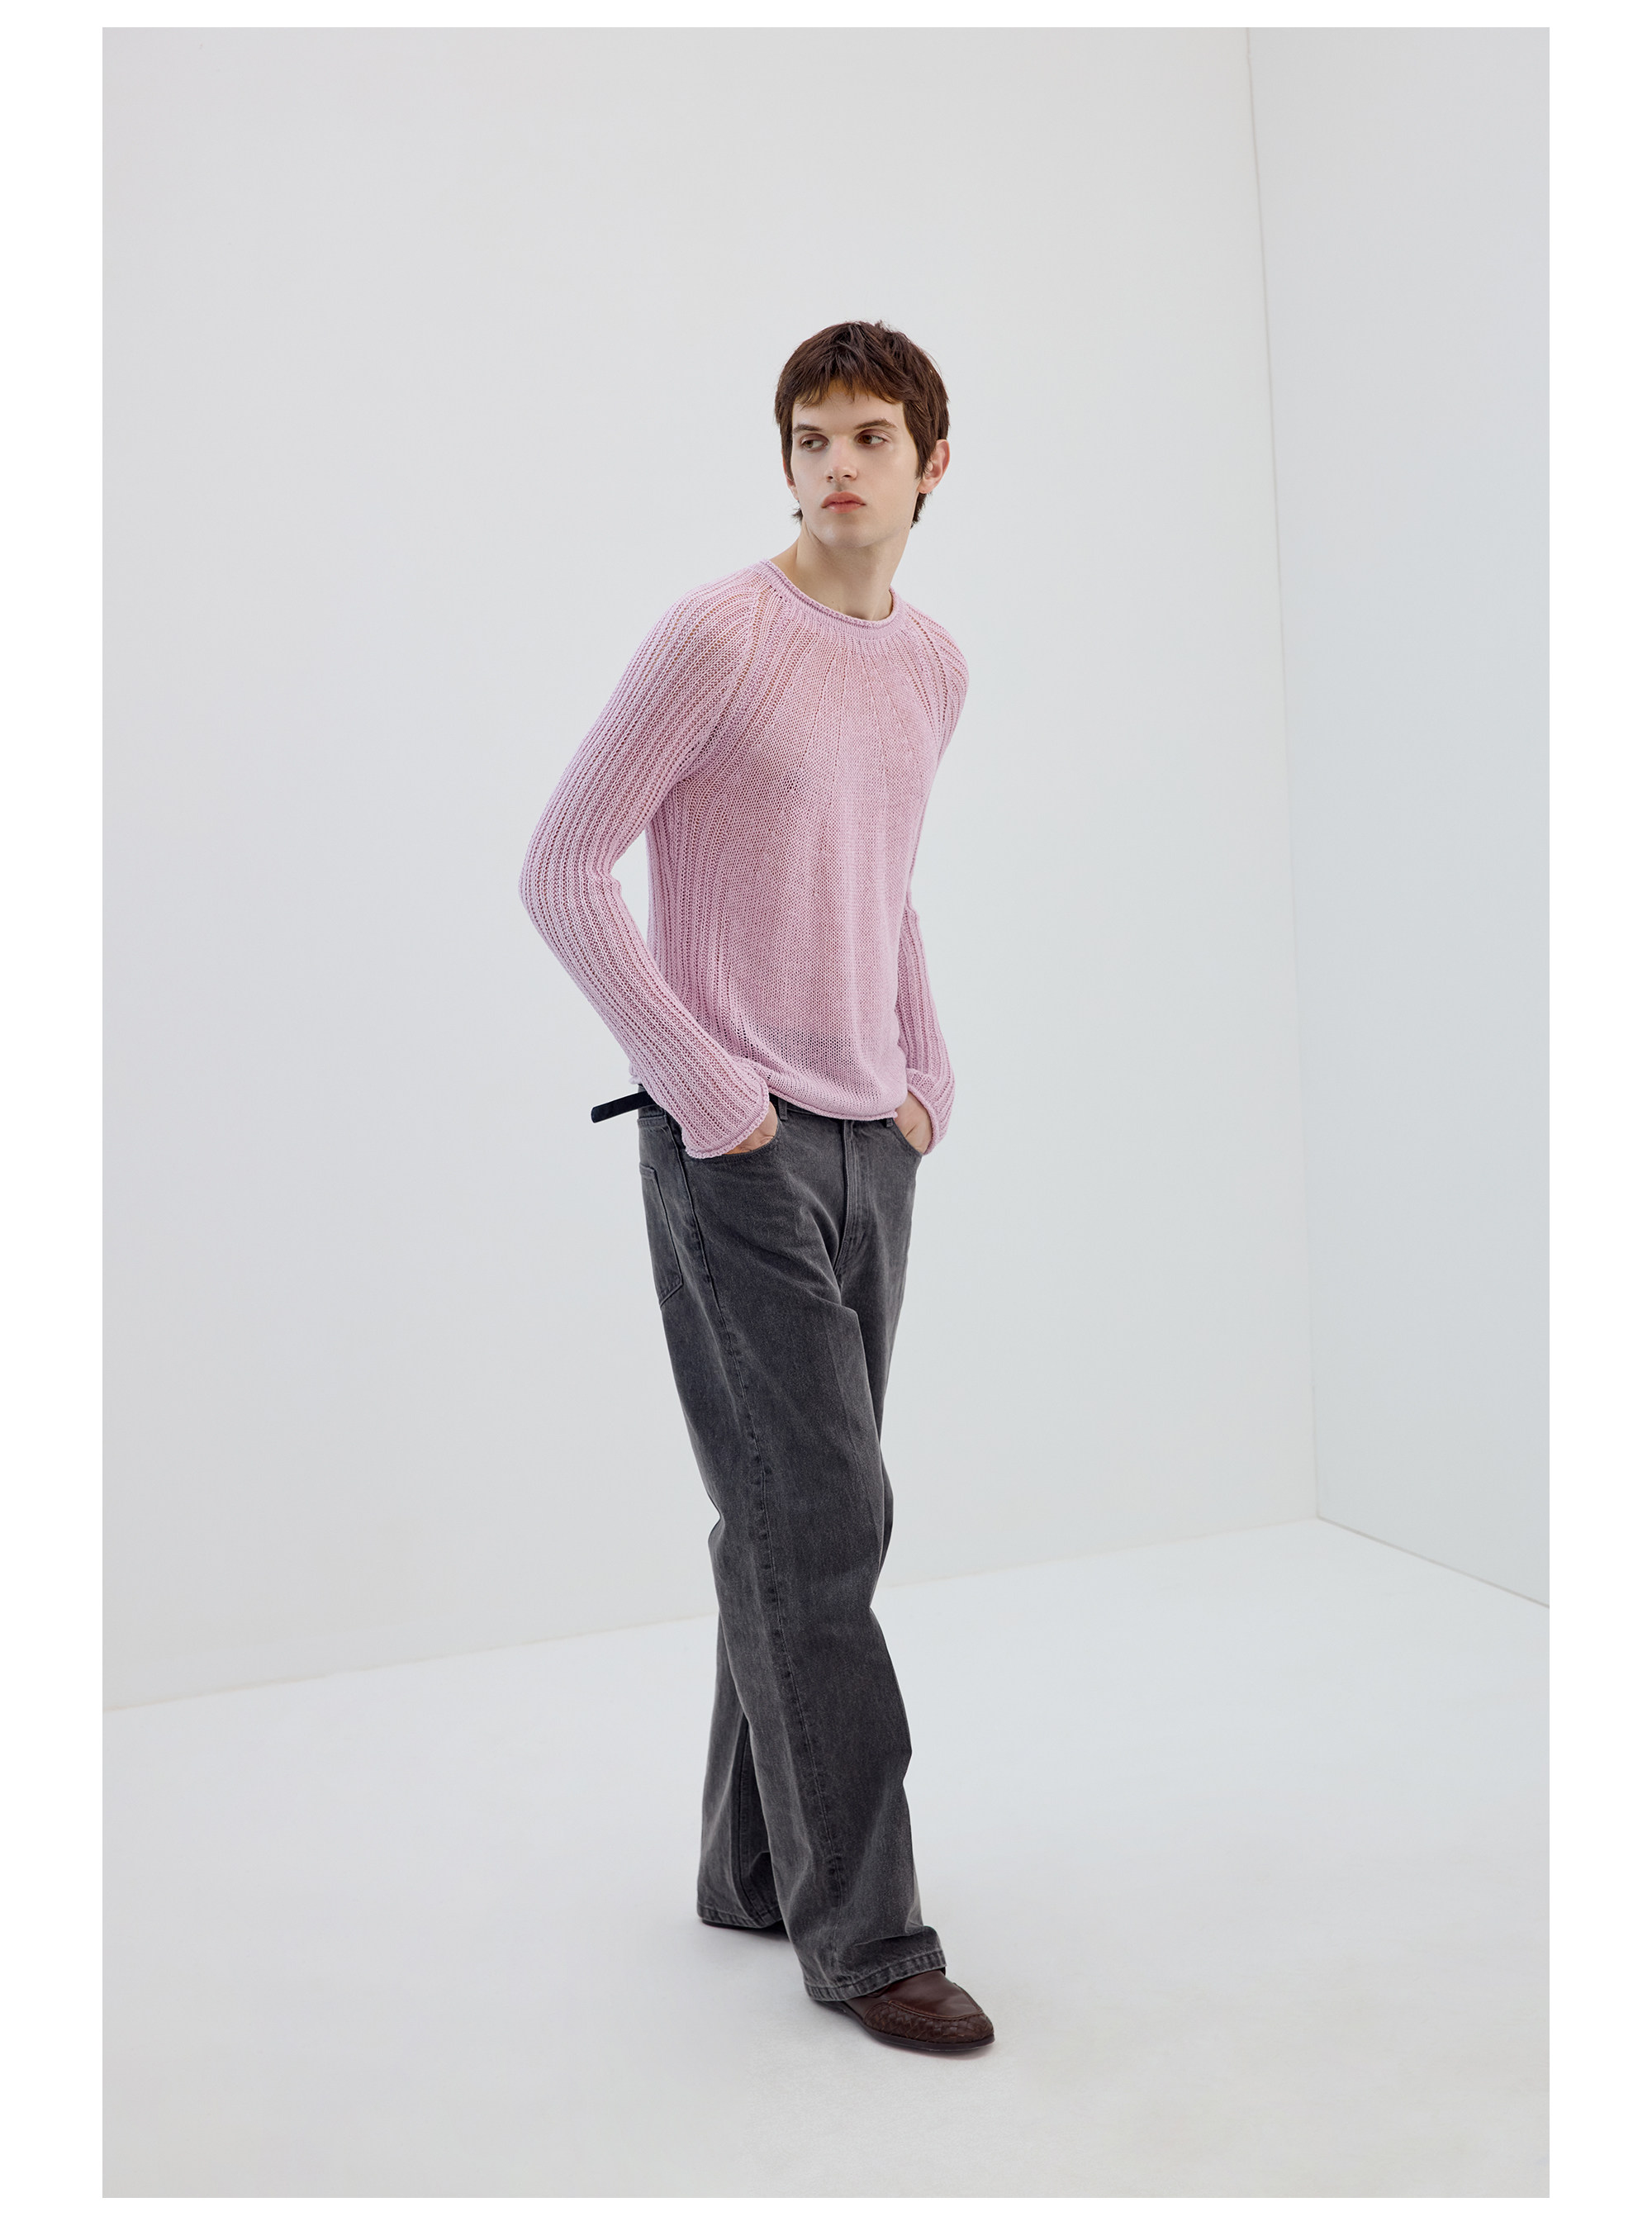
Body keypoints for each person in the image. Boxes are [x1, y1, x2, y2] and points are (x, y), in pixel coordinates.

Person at [519, 320, 992, 2054]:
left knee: (790, 1522)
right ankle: (867, 1939)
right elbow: (564, 867)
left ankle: (749, 1866)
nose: (837, 465)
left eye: (870, 436)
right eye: (810, 437)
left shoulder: (931, 665)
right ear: (785, 458)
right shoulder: (716, 635)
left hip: (875, 1141)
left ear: (932, 465)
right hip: (736, 1148)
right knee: (828, 1520)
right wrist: (709, 1089)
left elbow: (888, 883)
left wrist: (926, 1074)